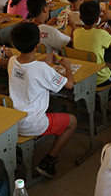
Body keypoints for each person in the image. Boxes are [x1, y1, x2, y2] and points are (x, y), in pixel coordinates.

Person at [9, 22, 77, 178]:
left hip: (13, 121)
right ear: (38, 44)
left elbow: (28, 69)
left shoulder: (12, 61)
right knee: (72, 121)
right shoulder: (42, 69)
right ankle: (49, 160)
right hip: (32, 123)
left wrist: (44, 63)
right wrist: (67, 66)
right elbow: (69, 84)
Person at [74, 0, 111, 89]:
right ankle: (108, 93)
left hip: (82, 75)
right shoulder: (101, 34)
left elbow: (90, 34)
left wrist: (97, 29)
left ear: (80, 18)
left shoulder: (76, 32)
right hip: (99, 77)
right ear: (98, 19)